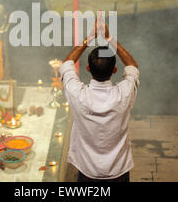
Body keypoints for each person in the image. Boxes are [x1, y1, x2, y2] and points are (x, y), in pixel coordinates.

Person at [59, 19, 139, 182]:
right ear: (115, 70)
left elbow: (66, 64)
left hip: (87, 170)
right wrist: (109, 39)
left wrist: (89, 39)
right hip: (118, 169)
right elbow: (132, 66)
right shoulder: (123, 93)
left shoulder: (77, 94)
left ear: (88, 69)